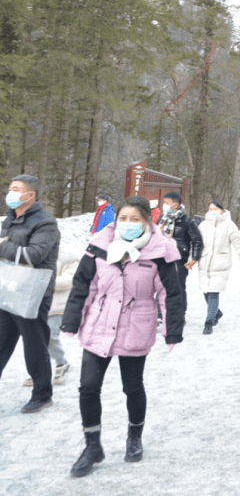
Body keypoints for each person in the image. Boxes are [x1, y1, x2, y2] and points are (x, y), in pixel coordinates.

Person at [62, 196, 184, 477]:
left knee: (132, 387)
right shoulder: (100, 247)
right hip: (99, 324)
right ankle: (92, 446)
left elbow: (170, 293)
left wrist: (172, 330)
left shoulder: (160, 251)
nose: (128, 224)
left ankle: (134, 437)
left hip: (136, 326)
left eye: (135, 219)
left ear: (147, 222)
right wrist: (72, 320)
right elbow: (84, 285)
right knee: (88, 387)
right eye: (123, 218)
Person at [0, 175, 60, 414]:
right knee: (2, 341)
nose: (10, 192)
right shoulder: (10, 217)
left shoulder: (46, 222)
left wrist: (3, 245)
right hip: (9, 287)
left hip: (33, 292)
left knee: (34, 345)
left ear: (30, 195)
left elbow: (34, 255)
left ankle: (42, 394)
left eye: (16, 189)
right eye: (10, 188)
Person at [23, 254, 77, 388]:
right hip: (36, 305)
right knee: (35, 339)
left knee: (50, 337)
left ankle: (61, 363)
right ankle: (39, 372)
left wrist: (40, 279)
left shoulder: (69, 257)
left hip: (57, 307)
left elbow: (68, 281)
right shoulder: (35, 256)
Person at [195, 200, 240, 335]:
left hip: (220, 263)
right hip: (205, 263)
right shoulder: (203, 225)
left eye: (215, 209)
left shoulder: (229, 225)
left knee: (213, 293)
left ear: (222, 211)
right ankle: (216, 312)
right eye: (210, 209)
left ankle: (209, 322)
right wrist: (191, 259)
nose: (212, 211)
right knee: (206, 291)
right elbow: (196, 244)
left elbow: (237, 241)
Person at [157, 191, 203, 313]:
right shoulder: (162, 219)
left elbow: (197, 241)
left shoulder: (187, 221)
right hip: (161, 257)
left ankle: (179, 312)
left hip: (179, 259)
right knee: (160, 286)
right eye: (164, 202)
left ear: (176, 205)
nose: (164, 205)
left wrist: (194, 259)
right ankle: (160, 314)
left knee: (178, 286)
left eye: (167, 203)